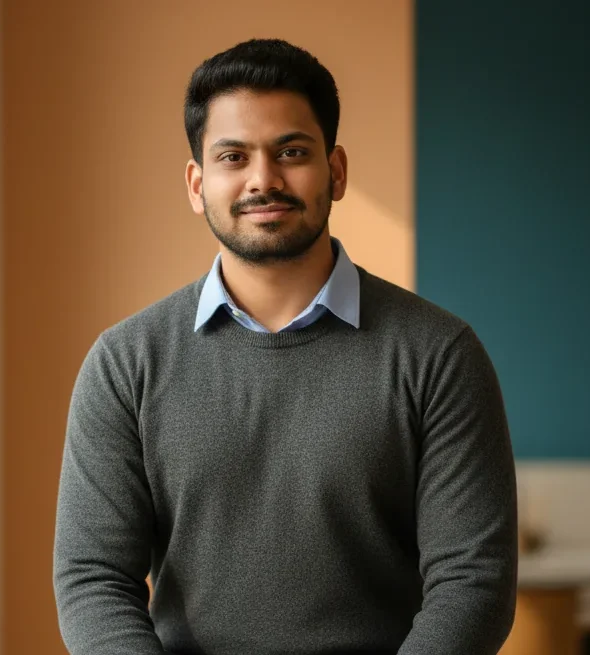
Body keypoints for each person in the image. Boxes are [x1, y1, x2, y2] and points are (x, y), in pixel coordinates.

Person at [53, 38, 517, 655]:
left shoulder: (439, 355)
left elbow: (473, 583)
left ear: (338, 170)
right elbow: (93, 579)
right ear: (197, 185)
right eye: (233, 157)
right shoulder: (125, 364)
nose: (263, 179)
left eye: (292, 152)